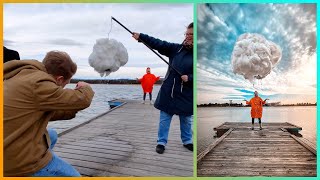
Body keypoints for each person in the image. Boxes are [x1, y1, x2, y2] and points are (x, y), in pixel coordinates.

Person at [4, 51, 95, 176]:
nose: (63, 87)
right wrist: (85, 87)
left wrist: (72, 110)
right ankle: (37, 169)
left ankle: (46, 160)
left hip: (7, 145)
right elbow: (82, 99)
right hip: (15, 162)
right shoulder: (38, 84)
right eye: (65, 84)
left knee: (51, 135)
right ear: (59, 79)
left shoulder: (23, 76)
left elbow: (48, 112)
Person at [132, 22, 193, 154]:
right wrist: (142, 37)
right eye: (187, 34)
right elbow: (159, 43)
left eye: (192, 34)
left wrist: (190, 78)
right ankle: (161, 142)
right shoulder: (176, 49)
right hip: (169, 92)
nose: (188, 36)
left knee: (186, 120)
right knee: (164, 119)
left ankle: (187, 141)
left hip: (186, 94)